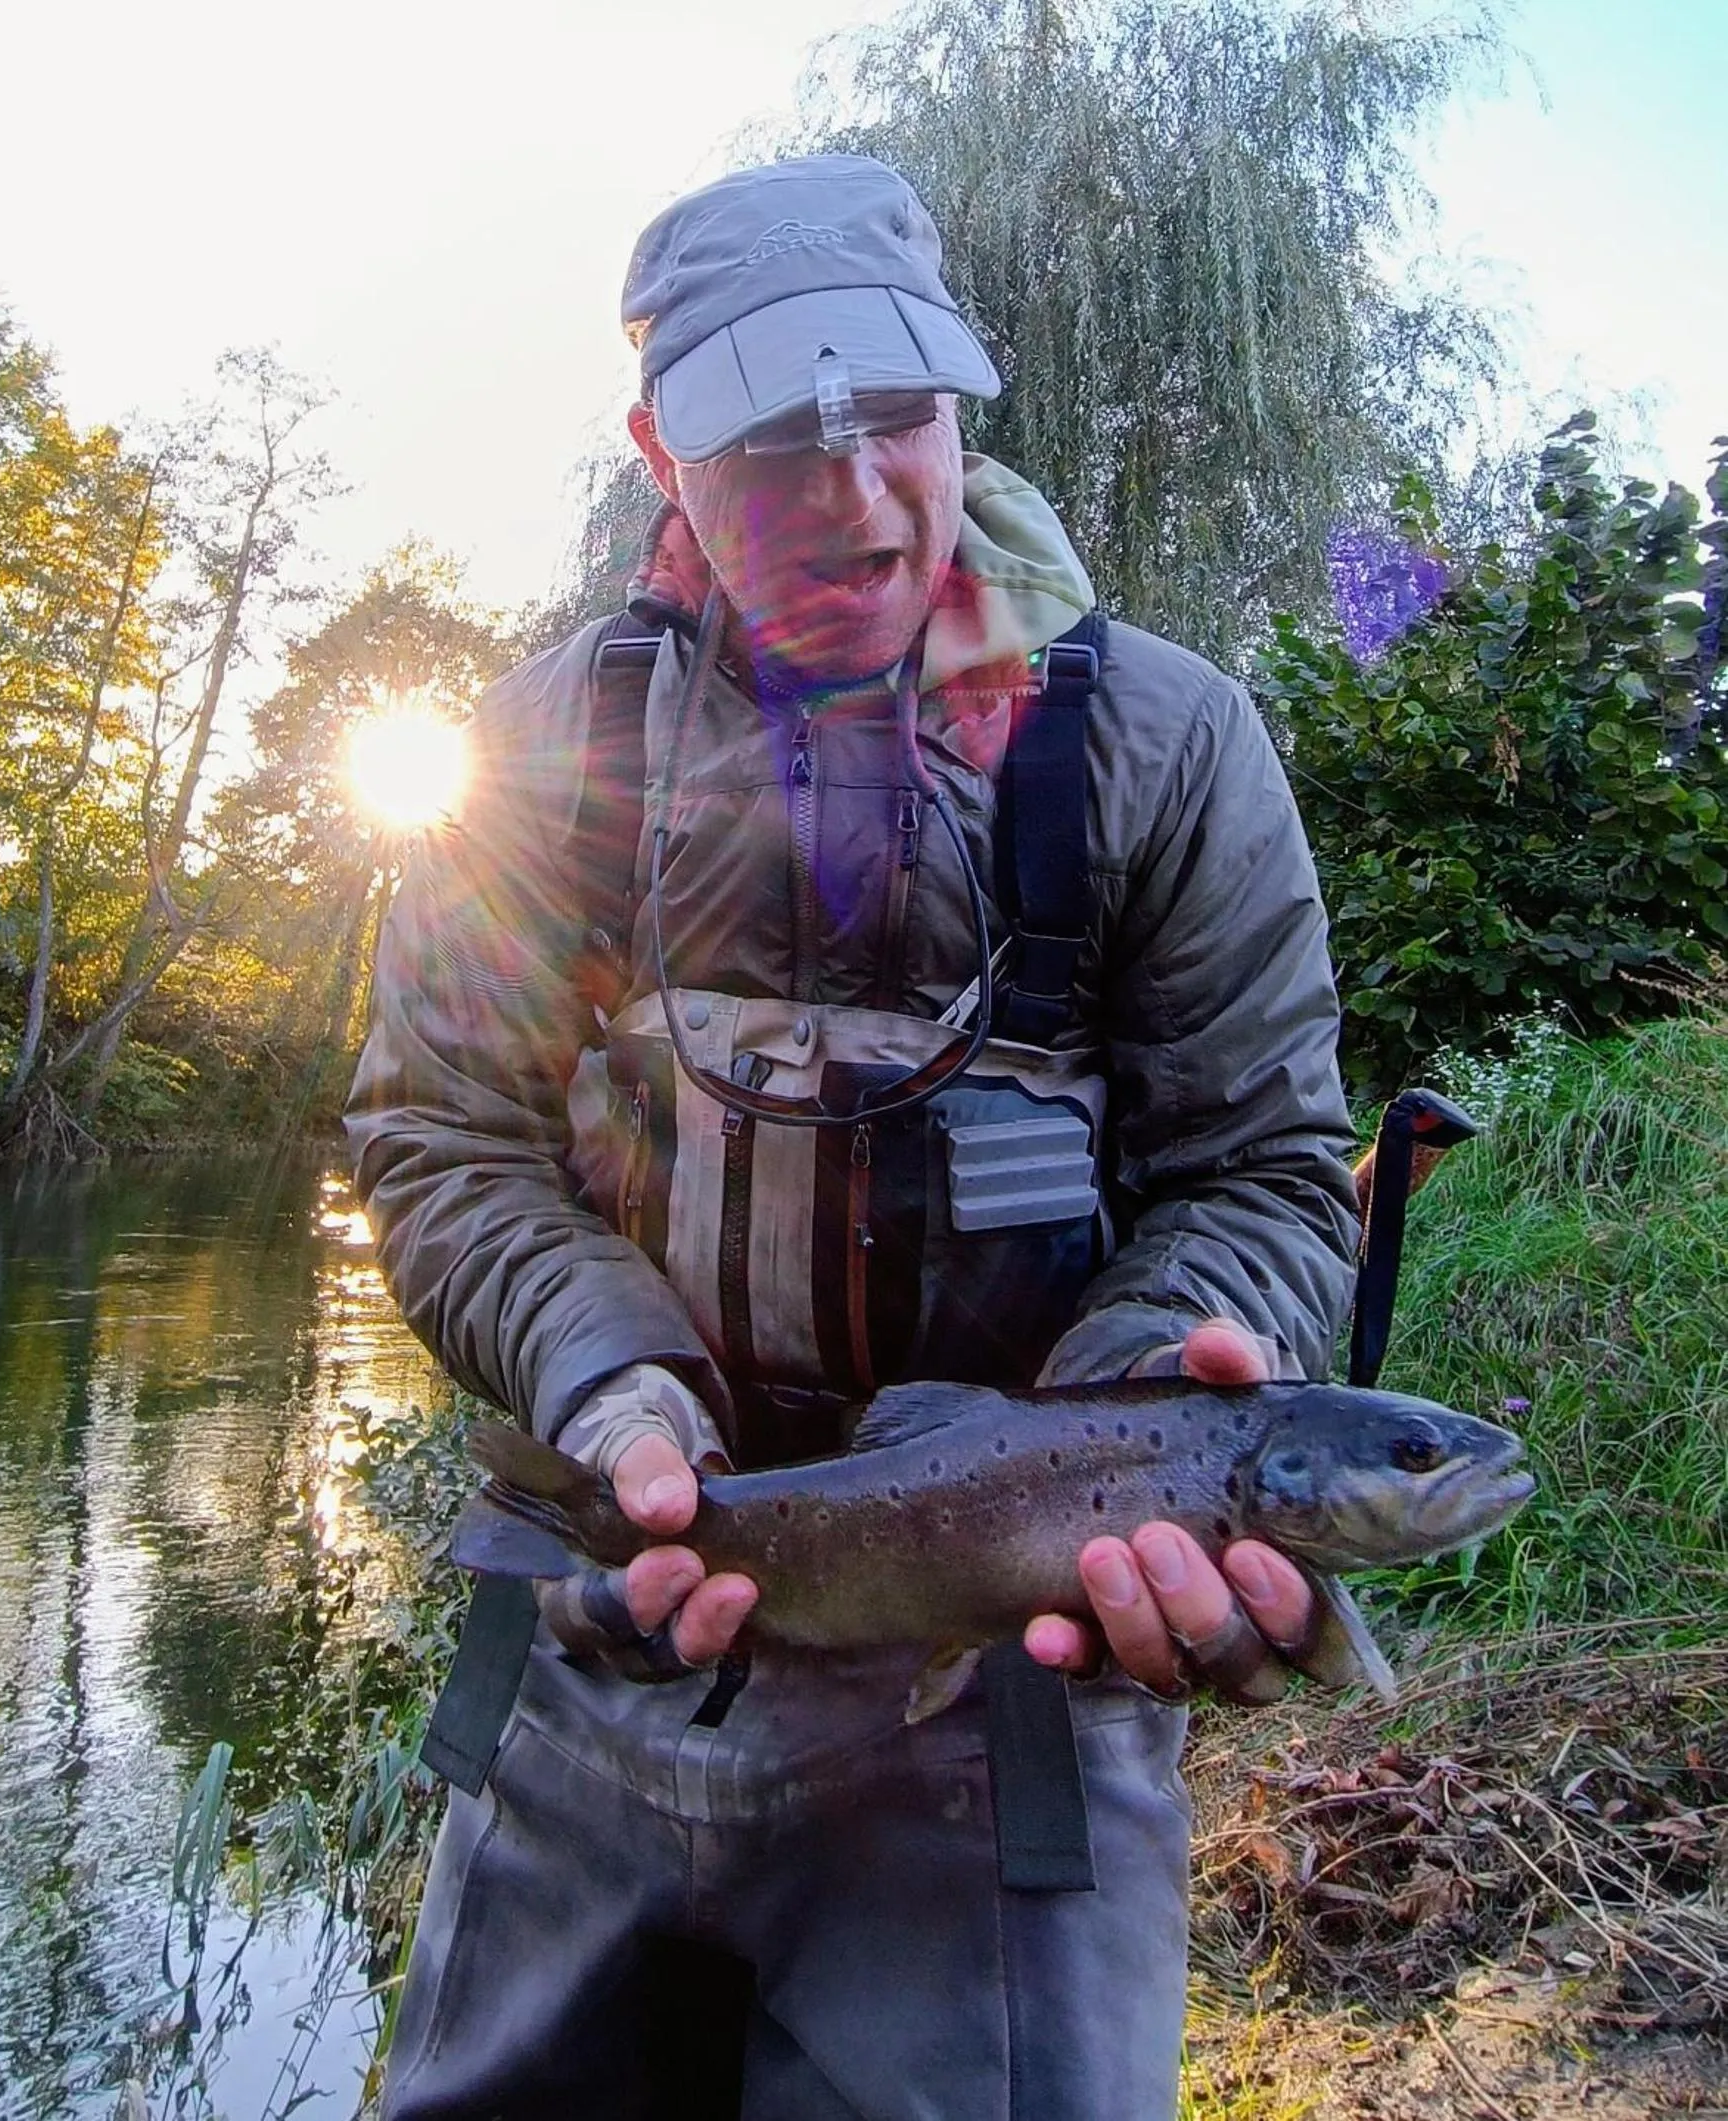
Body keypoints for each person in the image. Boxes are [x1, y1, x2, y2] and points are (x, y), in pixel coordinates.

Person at [345, 153, 1358, 2120]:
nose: (851, 500)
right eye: (765, 444)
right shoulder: (539, 749)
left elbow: (1258, 1170)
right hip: (603, 1633)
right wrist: (608, 1381)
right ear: (656, 447)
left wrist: (1132, 1430)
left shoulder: (1161, 743)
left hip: (1005, 1694)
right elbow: (442, 1134)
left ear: (956, 403)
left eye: (890, 419)